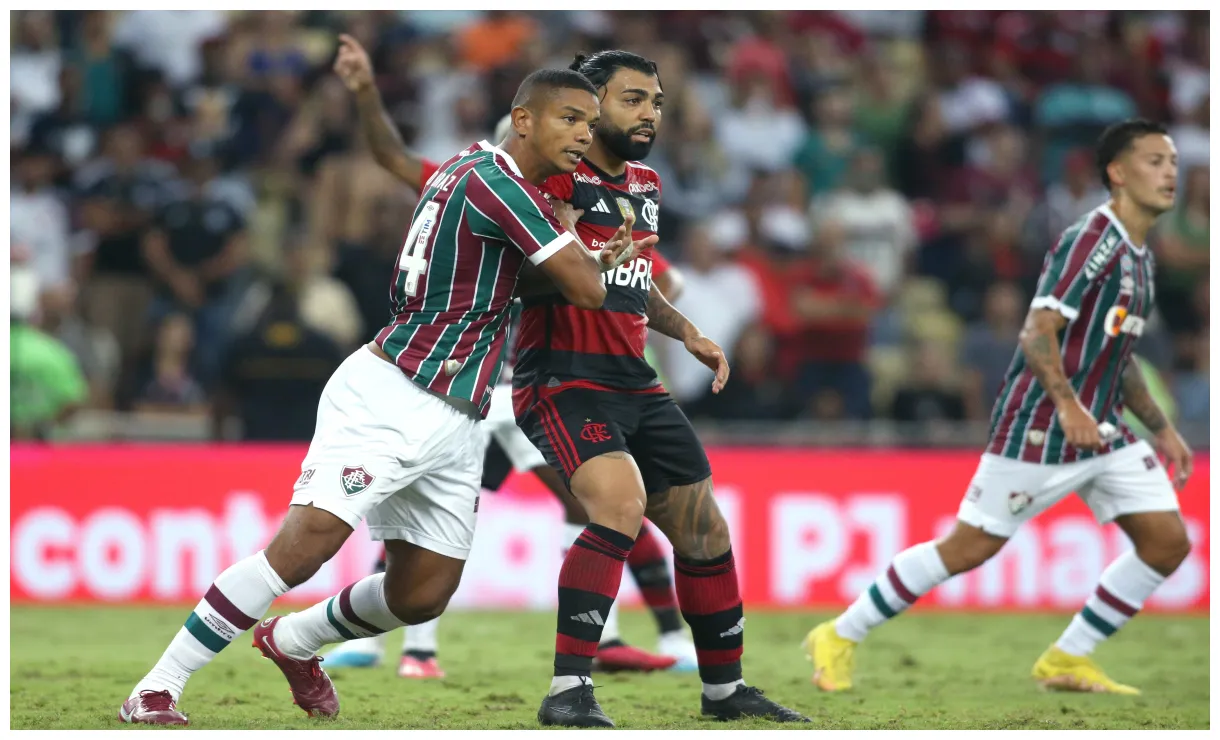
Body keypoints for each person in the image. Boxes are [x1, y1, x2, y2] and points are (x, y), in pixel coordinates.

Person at [119, 65, 659, 725]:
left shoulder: (472, 172)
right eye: (569, 118)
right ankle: (158, 685)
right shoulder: (501, 187)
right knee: (305, 544)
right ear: (524, 121)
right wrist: (602, 244)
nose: (585, 132)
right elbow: (585, 288)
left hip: (460, 412)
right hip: (395, 392)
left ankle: (294, 640)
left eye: (589, 120)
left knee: (423, 592)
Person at [327, 35, 696, 678]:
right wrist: (363, 92)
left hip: (524, 380)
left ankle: (626, 639)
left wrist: (630, 288)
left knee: (596, 503)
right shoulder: (482, 184)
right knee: (428, 505)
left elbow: (662, 279)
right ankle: (405, 647)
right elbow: (389, 154)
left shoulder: (597, 205)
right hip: (471, 380)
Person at [805, 119, 1193, 696]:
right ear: (1117, 172)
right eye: (1155, 161)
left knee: (1167, 542)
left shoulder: (1141, 257)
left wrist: (1160, 428)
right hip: (1043, 424)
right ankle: (838, 633)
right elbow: (1037, 331)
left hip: (1103, 427)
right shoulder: (1094, 239)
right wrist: (1067, 408)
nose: (1170, 173)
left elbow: (1120, 355)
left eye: (1173, 163)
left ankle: (1068, 657)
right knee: (968, 548)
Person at [514, 50, 806, 726]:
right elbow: (534, 275)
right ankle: (566, 693)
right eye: (633, 100)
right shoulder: (559, 178)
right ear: (590, 109)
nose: (649, 114)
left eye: (657, 102)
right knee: (618, 508)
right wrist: (581, 260)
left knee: (705, 528)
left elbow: (632, 278)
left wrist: (686, 331)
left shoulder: (645, 183)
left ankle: (725, 693)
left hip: (635, 380)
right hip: (562, 377)